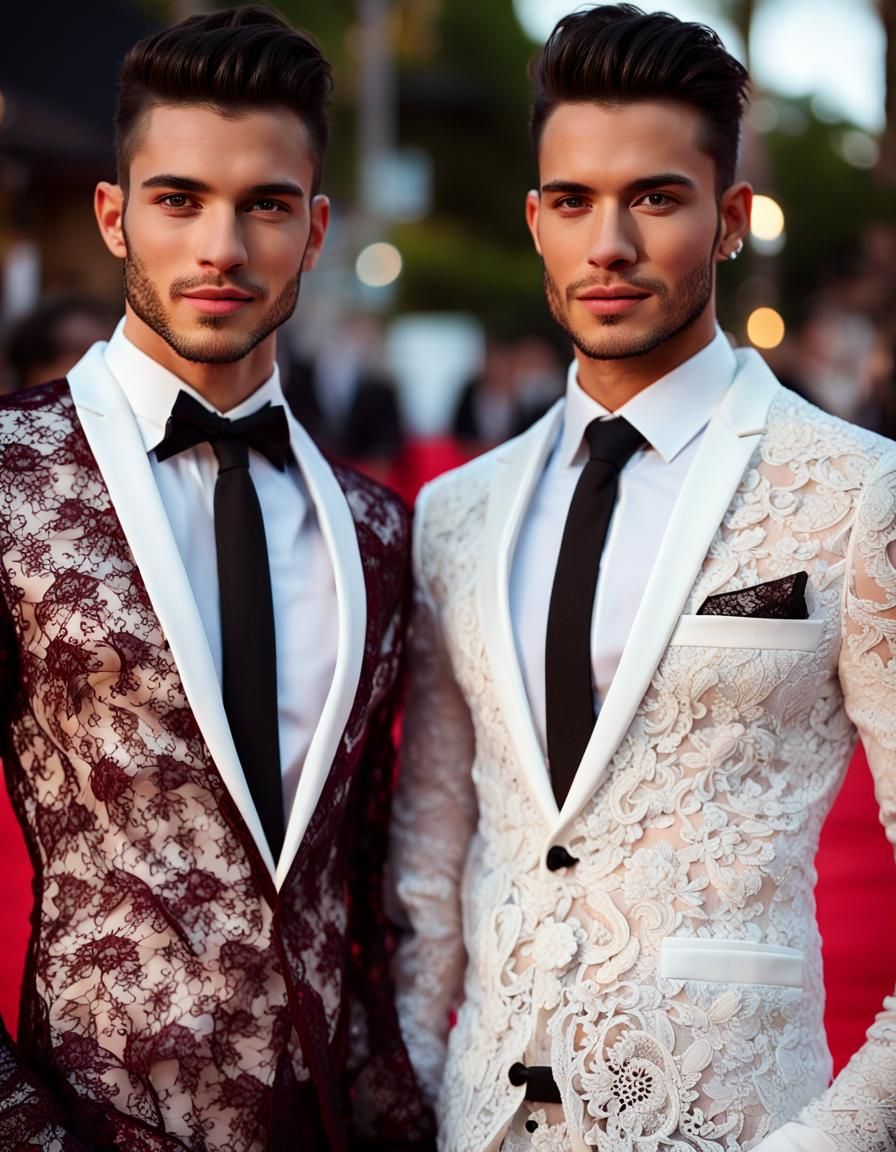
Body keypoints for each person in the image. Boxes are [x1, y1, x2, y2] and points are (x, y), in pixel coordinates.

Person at [390, 6, 896, 1151]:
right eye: (571, 201)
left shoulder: (853, 490)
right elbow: (428, 871)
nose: (605, 243)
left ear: (725, 220)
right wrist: (422, 1104)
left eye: (653, 199)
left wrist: (833, 1140)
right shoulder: (457, 512)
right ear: (533, 220)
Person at [0, 8, 429, 1150]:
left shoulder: (377, 530)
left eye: (266, 205)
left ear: (317, 226)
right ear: (114, 216)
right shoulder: (9, 481)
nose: (221, 248)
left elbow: (373, 890)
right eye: (180, 199)